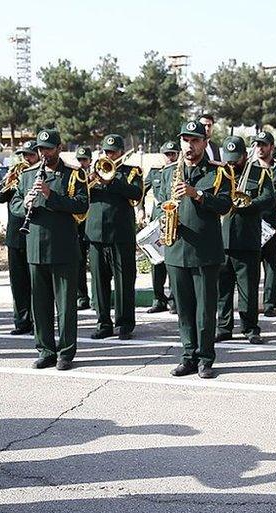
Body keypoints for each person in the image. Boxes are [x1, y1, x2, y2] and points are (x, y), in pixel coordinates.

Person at [10, 129, 89, 370]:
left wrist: (50, 195)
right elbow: (14, 204)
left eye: (48, 149)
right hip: (35, 246)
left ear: (58, 148)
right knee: (40, 303)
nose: (43, 154)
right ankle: (45, 350)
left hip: (63, 246)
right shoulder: (27, 175)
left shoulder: (74, 174)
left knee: (65, 305)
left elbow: (82, 205)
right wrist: (25, 204)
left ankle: (66, 352)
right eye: (40, 150)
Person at [163, 121, 233, 378]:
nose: (189, 146)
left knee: (205, 309)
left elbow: (225, 205)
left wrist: (198, 195)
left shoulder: (219, 172)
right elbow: (162, 201)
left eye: (194, 141)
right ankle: (188, 355)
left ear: (205, 142)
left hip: (205, 250)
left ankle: (205, 358)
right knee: (184, 309)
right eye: (185, 141)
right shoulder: (170, 171)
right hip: (176, 248)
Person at [217, 135, 275, 345]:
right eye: (229, 158)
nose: (232, 163)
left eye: (236, 158)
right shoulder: (219, 173)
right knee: (223, 289)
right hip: (222, 240)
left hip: (247, 239)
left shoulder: (259, 174)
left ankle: (250, 328)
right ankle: (223, 327)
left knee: (248, 289)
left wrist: (249, 204)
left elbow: (270, 198)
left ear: (244, 154)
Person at [85, 134, 142, 340]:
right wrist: (90, 180)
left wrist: (111, 181)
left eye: (113, 152)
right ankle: (103, 323)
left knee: (124, 280)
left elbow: (136, 193)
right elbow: (80, 195)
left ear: (121, 153)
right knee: (99, 282)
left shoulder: (131, 172)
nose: (109, 155)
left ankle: (124, 323)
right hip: (96, 235)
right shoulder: (92, 173)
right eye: (106, 151)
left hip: (121, 234)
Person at [0, 140, 36, 335]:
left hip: (35, 236)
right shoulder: (17, 176)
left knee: (36, 283)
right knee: (18, 282)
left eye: (30, 155)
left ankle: (39, 319)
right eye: (24, 155)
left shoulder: (40, 176)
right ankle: (22, 321)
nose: (26, 159)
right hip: (15, 237)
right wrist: (8, 180)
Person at [145, 140, 179, 313]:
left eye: (173, 154)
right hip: (158, 219)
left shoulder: (180, 170)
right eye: (167, 154)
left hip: (175, 220)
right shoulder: (154, 172)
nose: (170, 157)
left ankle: (174, 300)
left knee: (172, 262)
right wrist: (140, 209)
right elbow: (141, 191)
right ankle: (158, 299)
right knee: (156, 262)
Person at [252, 130, 276, 316]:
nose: (260, 148)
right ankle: (251, 302)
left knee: (271, 265)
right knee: (252, 266)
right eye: (257, 144)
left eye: (263, 144)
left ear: (271, 147)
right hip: (254, 222)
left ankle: (270, 303)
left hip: (272, 222)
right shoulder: (251, 169)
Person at [74, 146, 93, 310]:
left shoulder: (97, 174)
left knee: (95, 264)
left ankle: (96, 297)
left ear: (90, 161)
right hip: (78, 225)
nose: (81, 163)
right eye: (79, 160)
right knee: (79, 262)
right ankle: (82, 296)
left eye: (84, 160)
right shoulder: (75, 176)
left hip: (92, 224)